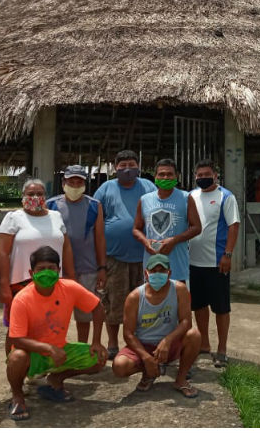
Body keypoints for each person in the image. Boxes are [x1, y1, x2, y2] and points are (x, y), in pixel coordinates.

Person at [6, 246, 108, 421]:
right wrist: (48, 348)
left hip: (61, 350)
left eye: (51, 268)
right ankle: (17, 396)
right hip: (33, 355)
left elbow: (98, 308)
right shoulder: (22, 299)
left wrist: (96, 341)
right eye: (41, 269)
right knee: (16, 358)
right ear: (32, 272)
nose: (46, 273)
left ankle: (55, 380)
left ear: (59, 270)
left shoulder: (69, 288)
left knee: (99, 357)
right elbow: (16, 338)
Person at [0, 179, 76, 355]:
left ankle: (42, 368)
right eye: (30, 194)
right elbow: (2, 252)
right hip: (21, 283)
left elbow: (67, 247)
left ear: (45, 197)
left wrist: (71, 277)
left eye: (39, 194)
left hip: (53, 282)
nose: (35, 197)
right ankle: (16, 366)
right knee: (17, 328)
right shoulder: (13, 218)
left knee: (49, 324)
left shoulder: (55, 217)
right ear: (23, 196)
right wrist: (3, 285)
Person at [93, 150, 157, 359]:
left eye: (131, 164)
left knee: (143, 302)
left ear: (138, 166)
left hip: (144, 257)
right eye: (122, 166)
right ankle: (112, 342)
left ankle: (139, 342)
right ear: (115, 167)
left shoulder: (148, 187)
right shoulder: (106, 188)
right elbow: (95, 218)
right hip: (114, 257)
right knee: (113, 302)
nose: (127, 169)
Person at [112, 254, 201, 398]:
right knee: (119, 367)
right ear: (146, 273)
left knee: (194, 334)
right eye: (153, 271)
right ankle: (149, 371)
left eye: (162, 271)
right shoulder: (135, 297)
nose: (157, 274)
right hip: (144, 344)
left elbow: (186, 321)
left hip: (170, 344)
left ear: (169, 273)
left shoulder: (179, 289)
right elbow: (128, 333)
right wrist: (146, 357)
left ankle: (181, 379)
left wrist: (167, 340)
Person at [188, 159, 240, 368]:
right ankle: (204, 345)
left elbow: (233, 226)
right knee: (199, 306)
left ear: (216, 175)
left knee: (220, 308)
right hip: (193, 261)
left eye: (206, 174)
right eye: (199, 175)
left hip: (217, 262)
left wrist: (227, 254)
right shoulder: (191, 196)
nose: (202, 178)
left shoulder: (226, 197)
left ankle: (222, 350)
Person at [47, 165, 107, 343]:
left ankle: (82, 349)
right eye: (71, 181)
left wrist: (102, 267)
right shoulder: (51, 205)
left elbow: (100, 239)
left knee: (84, 315)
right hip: (58, 271)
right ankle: (53, 349)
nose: (74, 185)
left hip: (87, 268)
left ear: (85, 183)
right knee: (55, 315)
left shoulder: (95, 206)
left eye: (79, 181)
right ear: (64, 182)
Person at [133, 158, 201, 283]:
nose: (165, 177)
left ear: (177, 176)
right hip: (152, 266)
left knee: (176, 300)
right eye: (161, 174)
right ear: (155, 176)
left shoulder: (186, 198)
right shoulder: (144, 200)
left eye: (170, 174)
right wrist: (146, 242)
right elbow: (136, 229)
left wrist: (174, 240)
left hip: (177, 265)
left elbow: (197, 227)